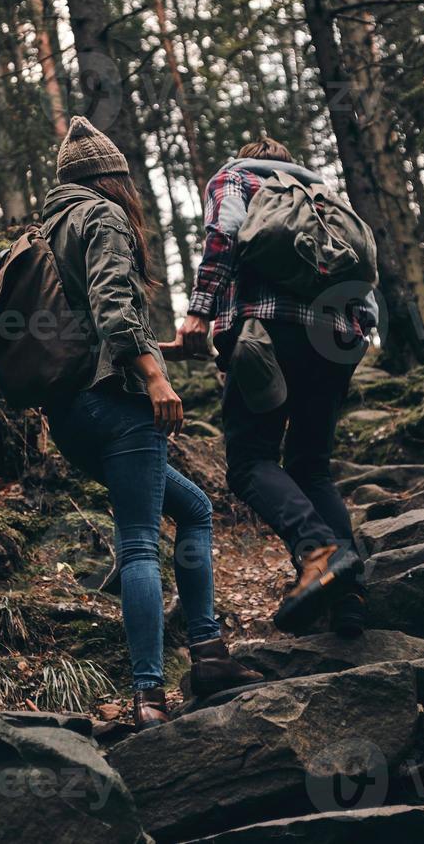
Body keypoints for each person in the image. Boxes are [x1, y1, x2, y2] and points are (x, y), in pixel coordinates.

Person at [40, 117, 260, 729]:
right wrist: (156, 379)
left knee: (192, 510)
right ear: (112, 177)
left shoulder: (51, 227)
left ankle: (209, 654)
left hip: (71, 412)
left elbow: (91, 327)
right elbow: (114, 308)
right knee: (138, 541)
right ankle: (149, 694)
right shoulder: (103, 217)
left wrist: (161, 350)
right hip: (117, 406)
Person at [175, 137, 374, 637]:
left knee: (249, 463)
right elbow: (362, 272)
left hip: (267, 329)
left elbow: (222, 236)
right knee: (312, 466)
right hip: (337, 337)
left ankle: (318, 553)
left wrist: (200, 312)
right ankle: (349, 596)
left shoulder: (235, 177)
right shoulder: (323, 192)